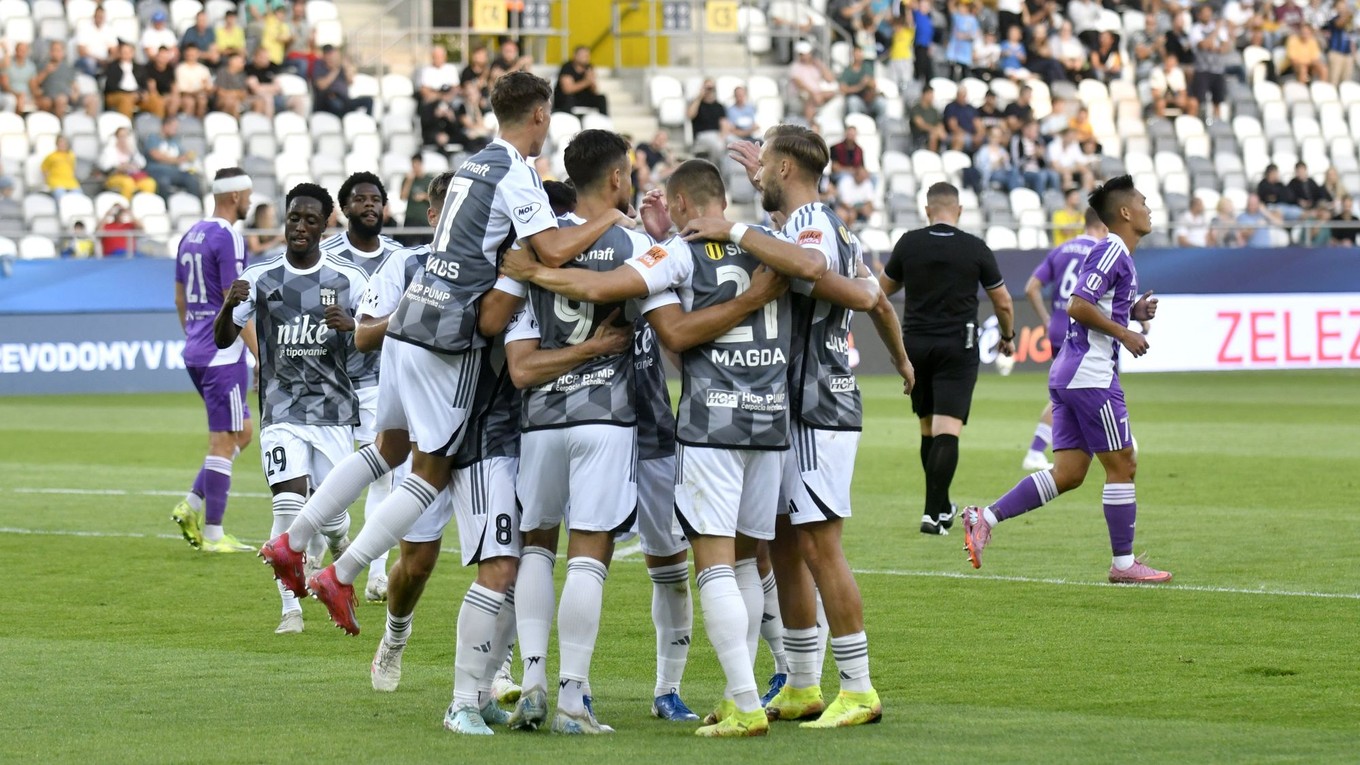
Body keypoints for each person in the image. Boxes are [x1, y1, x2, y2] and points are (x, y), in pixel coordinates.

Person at [260, 73, 625, 654]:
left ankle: (294, 537)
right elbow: (552, 251)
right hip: (447, 339)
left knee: (388, 447)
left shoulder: (473, 165)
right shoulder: (515, 171)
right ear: (538, 115)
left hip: (410, 322)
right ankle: (342, 573)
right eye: (548, 117)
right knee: (431, 470)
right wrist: (611, 218)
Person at [719, 125, 910, 730]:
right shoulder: (810, 225)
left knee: (821, 544)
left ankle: (858, 688)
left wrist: (734, 226)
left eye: (765, 166)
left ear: (782, 169)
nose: (756, 175)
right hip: (790, 406)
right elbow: (877, 300)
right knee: (782, 543)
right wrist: (902, 362)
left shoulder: (812, 228)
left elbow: (850, 290)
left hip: (816, 405)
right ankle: (804, 684)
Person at [963, 175, 1169, 585]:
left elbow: (1097, 304)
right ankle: (1124, 565)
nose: (1149, 208)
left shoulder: (1116, 254)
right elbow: (1078, 306)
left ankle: (983, 518)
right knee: (1123, 463)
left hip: (1070, 372)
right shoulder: (1111, 251)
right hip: (1090, 374)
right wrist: (1126, 333)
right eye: (1143, 202)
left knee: (1070, 472)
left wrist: (1134, 312)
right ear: (1126, 212)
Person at [216, 182, 370, 633]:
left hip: (334, 413)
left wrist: (355, 325)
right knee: (287, 500)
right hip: (281, 411)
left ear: (325, 225)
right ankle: (290, 609)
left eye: (310, 220)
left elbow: (377, 333)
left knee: (333, 515)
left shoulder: (348, 280)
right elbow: (224, 338)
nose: (300, 227)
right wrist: (228, 307)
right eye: (293, 219)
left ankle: (339, 543)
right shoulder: (262, 279)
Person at [880, 182, 1010, 535]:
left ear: (927, 210)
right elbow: (1003, 302)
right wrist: (1008, 338)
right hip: (958, 347)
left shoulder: (909, 243)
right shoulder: (975, 248)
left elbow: (880, 292)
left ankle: (940, 508)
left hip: (916, 346)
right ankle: (930, 512)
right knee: (947, 431)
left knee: (928, 430)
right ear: (960, 210)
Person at [317, 172, 405, 603]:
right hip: (329, 382)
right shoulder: (326, 256)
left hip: (379, 381)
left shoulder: (400, 258)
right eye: (359, 200)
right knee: (327, 479)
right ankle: (326, 540)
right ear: (345, 208)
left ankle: (375, 573)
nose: (369, 206)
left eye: (375, 200)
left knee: (385, 476)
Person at [170, 167, 258, 554]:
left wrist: (194, 335)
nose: (251, 201)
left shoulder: (190, 235)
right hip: (224, 354)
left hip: (196, 349)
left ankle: (191, 505)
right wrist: (261, 354)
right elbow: (234, 299)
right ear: (236, 196)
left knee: (242, 434)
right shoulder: (229, 236)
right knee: (224, 440)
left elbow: (179, 298)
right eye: (249, 194)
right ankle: (214, 535)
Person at [1021, 208, 1106, 472]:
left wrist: (1047, 318)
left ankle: (1055, 448)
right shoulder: (1102, 254)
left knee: (1068, 391)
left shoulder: (1062, 249)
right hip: (1082, 330)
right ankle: (1037, 450)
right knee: (1086, 387)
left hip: (1058, 328)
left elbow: (1031, 287)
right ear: (1104, 227)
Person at [145, 115, 201, 198]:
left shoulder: (174, 141)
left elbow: (184, 155)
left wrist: (189, 156)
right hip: (157, 171)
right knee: (163, 182)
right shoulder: (153, 138)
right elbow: (155, 155)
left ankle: (196, 205)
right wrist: (176, 160)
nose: (176, 130)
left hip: (175, 172)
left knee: (192, 179)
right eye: (174, 127)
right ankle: (167, 208)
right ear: (165, 126)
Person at [32, 40, 89, 119]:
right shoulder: (43, 65)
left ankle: (61, 124)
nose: (55, 53)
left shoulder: (67, 67)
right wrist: (46, 72)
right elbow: (35, 83)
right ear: (50, 52)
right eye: (53, 50)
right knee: (46, 102)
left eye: (58, 50)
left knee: (61, 99)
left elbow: (74, 84)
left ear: (63, 52)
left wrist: (75, 93)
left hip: (64, 95)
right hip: (48, 95)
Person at [312, 45, 374, 116]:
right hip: (329, 100)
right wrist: (335, 70)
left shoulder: (342, 67)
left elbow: (350, 81)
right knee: (336, 104)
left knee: (368, 101)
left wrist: (346, 67)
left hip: (345, 100)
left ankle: (368, 122)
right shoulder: (319, 65)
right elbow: (321, 86)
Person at [788, 41, 837, 122]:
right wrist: (814, 93)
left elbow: (830, 79)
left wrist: (820, 65)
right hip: (802, 93)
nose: (805, 57)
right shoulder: (795, 67)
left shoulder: (816, 66)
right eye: (802, 54)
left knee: (833, 93)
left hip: (818, 92)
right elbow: (800, 84)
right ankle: (809, 123)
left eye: (807, 54)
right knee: (811, 100)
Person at [552, 45, 608, 116]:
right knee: (568, 98)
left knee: (601, 98)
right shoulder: (567, 67)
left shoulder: (589, 67)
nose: (585, 58)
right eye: (582, 55)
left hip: (583, 98)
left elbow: (594, 91)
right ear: (575, 55)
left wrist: (592, 82)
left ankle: (604, 121)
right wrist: (586, 82)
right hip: (568, 100)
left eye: (587, 55)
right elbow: (567, 89)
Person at [687, 78, 729, 161]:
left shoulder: (719, 106)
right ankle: (717, 169)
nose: (710, 90)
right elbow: (690, 115)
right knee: (718, 146)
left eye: (712, 88)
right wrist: (699, 97)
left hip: (717, 134)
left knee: (733, 143)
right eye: (707, 88)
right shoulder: (697, 103)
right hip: (702, 135)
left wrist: (722, 137)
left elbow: (724, 124)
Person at [839, 45, 884, 119]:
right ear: (852, 55)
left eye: (860, 53)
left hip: (870, 100)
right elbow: (843, 89)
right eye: (856, 53)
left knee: (882, 103)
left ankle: (881, 124)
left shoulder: (867, 67)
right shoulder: (847, 70)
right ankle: (854, 125)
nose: (858, 56)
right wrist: (860, 85)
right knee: (852, 101)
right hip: (857, 100)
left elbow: (873, 84)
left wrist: (865, 84)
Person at [74, 6, 119, 77]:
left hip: (104, 60)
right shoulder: (84, 29)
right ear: (94, 16)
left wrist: (110, 59)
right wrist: (98, 59)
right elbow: (81, 51)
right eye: (98, 16)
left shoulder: (108, 30)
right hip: (88, 59)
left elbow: (114, 49)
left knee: (117, 63)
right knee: (90, 63)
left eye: (102, 16)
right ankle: (93, 83)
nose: (100, 18)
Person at [102, 42, 142, 118]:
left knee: (155, 100)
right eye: (124, 52)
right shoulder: (113, 67)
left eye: (129, 52)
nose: (126, 54)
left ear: (133, 53)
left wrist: (140, 93)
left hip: (137, 95)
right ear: (120, 53)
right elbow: (111, 86)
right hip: (117, 95)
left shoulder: (139, 68)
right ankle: (125, 126)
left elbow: (144, 83)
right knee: (126, 100)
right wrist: (130, 93)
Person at [174, 44, 214, 119]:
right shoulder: (180, 68)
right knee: (189, 102)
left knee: (202, 101)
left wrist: (205, 88)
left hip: (201, 95)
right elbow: (182, 89)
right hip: (185, 96)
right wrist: (198, 91)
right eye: (189, 53)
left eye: (193, 53)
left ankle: (200, 125)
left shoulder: (203, 69)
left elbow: (209, 87)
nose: (191, 55)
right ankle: (188, 125)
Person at [142, 46, 180, 119]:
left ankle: (170, 122)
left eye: (165, 57)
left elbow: (173, 85)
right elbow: (152, 88)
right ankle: (161, 122)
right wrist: (161, 98)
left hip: (167, 95)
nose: (162, 59)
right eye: (161, 56)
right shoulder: (149, 68)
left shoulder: (170, 68)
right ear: (156, 57)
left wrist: (174, 96)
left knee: (175, 101)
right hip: (154, 95)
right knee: (160, 102)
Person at [943, 86, 984, 152]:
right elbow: (953, 126)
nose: (963, 97)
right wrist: (969, 136)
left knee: (987, 139)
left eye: (964, 95)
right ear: (957, 95)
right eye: (961, 95)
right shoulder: (951, 107)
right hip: (956, 135)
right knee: (960, 139)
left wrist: (978, 135)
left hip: (972, 136)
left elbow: (978, 124)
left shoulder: (971, 108)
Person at [909, 86, 947, 153]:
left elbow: (939, 124)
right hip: (920, 136)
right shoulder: (916, 109)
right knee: (933, 135)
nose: (932, 97)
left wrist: (940, 130)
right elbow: (920, 125)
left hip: (935, 134)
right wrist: (934, 130)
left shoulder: (934, 110)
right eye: (930, 94)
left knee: (947, 136)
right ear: (924, 95)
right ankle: (932, 157)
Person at [214, 53, 250, 118]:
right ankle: (234, 125)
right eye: (241, 61)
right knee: (231, 102)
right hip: (222, 100)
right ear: (232, 61)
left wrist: (232, 94)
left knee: (259, 101)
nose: (243, 63)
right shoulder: (222, 72)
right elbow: (220, 92)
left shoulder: (242, 74)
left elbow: (244, 93)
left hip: (239, 100)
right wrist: (236, 93)